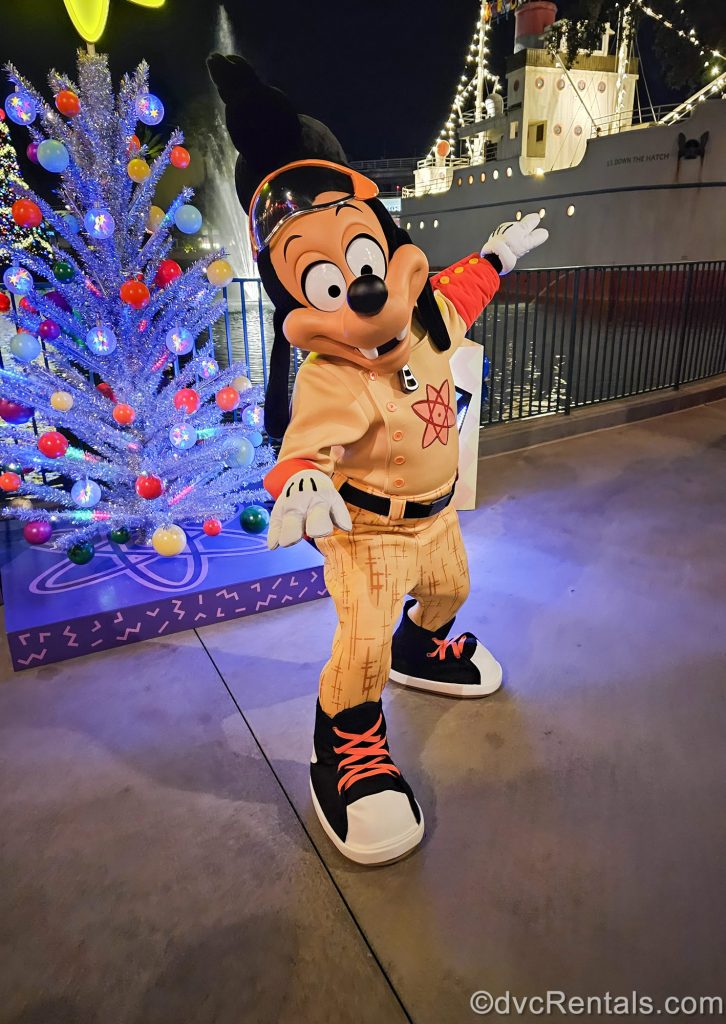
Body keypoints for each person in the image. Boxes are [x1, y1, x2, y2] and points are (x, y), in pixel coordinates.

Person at [209, 53, 548, 865]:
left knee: (452, 591)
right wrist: (301, 483)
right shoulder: (332, 373)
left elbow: (460, 293)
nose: (359, 292)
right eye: (328, 282)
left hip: (436, 521)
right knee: (359, 644)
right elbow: (304, 444)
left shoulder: (425, 316)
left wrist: (498, 256)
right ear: (296, 296)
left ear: (387, 246)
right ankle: (349, 743)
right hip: (368, 532)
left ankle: (420, 647)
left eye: (362, 265)